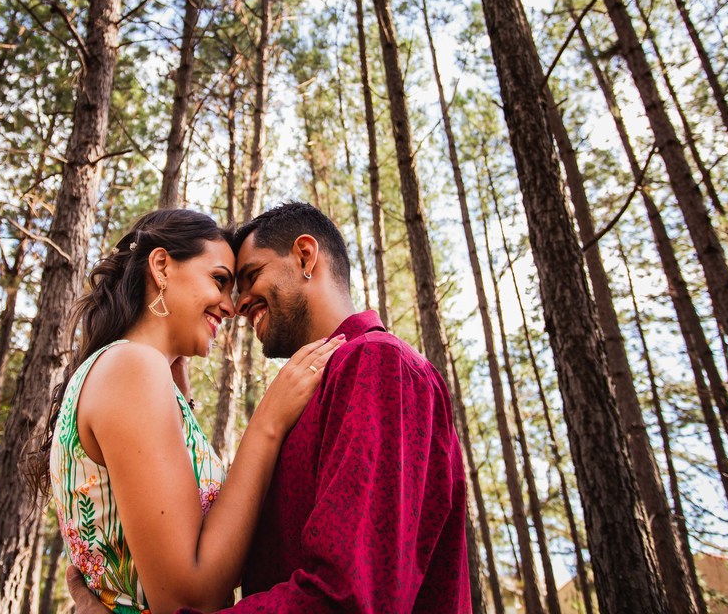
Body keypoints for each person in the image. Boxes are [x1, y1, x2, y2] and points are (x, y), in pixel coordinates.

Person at [69, 201, 471, 612]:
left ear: (304, 256)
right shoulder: (311, 393)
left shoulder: (378, 364)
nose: (238, 305)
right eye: (226, 283)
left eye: (249, 277)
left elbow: (347, 598)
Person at [29, 207, 345, 614]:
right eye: (219, 280)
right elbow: (188, 600)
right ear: (161, 266)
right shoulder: (133, 367)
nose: (231, 308)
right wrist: (267, 422)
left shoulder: (130, 370)